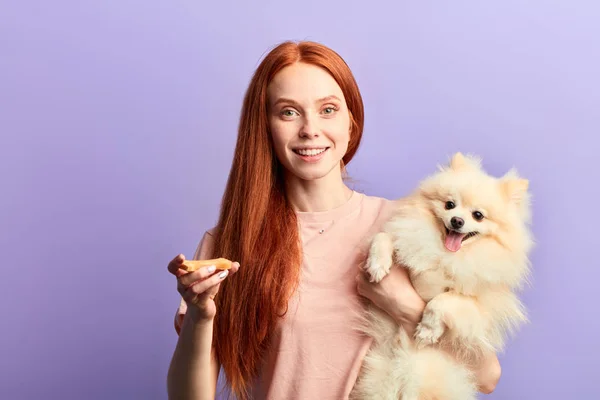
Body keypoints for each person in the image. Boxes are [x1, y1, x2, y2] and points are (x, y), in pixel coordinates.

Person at [166, 40, 502, 400]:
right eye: (288, 112)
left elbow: (486, 376)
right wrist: (201, 317)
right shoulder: (231, 243)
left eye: (328, 109)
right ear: (264, 127)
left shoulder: (407, 227)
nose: (310, 129)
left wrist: (407, 307)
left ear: (351, 122)